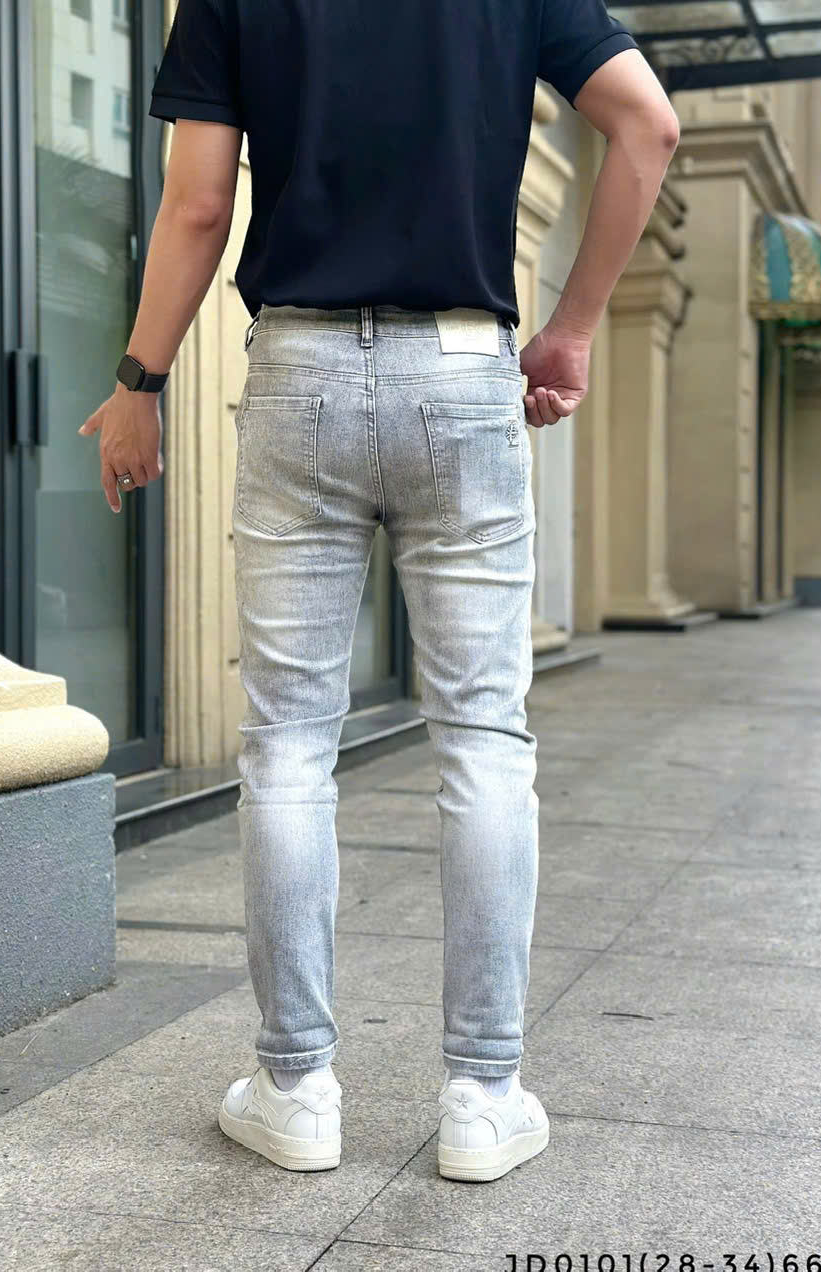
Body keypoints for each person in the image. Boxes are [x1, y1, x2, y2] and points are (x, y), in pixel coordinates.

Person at [79, 0, 679, 1182]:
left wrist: (141, 380)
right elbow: (648, 127)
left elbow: (198, 205)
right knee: (484, 738)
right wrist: (571, 328)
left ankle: (296, 1087)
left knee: (289, 742)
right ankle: (483, 1095)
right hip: (461, 369)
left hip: (298, 368)